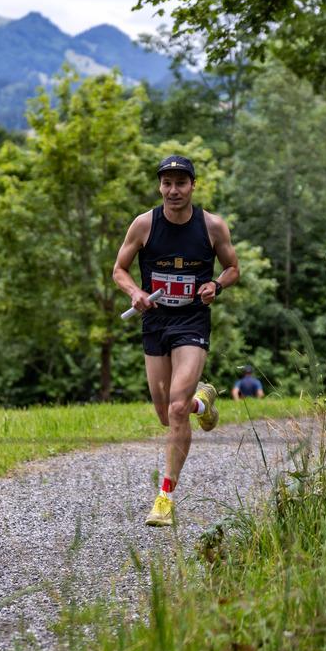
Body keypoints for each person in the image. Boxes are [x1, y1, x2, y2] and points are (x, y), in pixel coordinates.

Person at [112, 154, 240, 527]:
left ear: (192, 186)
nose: (173, 190)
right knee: (165, 413)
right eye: (167, 183)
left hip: (192, 321)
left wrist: (216, 285)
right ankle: (204, 403)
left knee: (177, 409)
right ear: (160, 186)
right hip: (155, 322)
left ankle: (165, 498)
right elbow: (119, 269)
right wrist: (135, 292)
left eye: (181, 183)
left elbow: (233, 267)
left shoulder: (212, 226)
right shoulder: (144, 224)